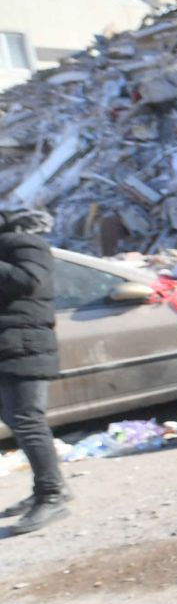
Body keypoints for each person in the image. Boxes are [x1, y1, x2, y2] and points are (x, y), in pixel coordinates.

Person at [0, 208, 69, 535]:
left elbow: (28, 280)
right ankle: (52, 487)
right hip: (9, 347)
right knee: (18, 419)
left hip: (27, 345)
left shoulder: (24, 242)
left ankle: (51, 495)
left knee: (27, 420)